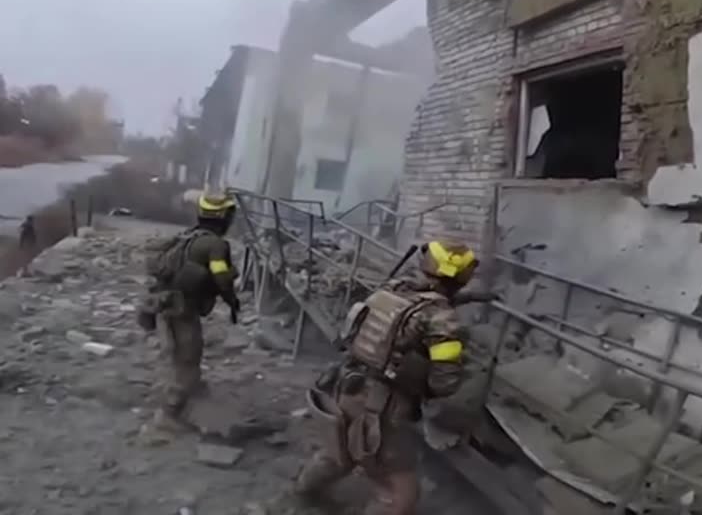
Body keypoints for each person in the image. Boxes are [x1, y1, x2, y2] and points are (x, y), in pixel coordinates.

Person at [284, 240, 479, 515]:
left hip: (346, 384)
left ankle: (302, 494)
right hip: (383, 407)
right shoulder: (443, 320)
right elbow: (443, 383)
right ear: (461, 277)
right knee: (399, 487)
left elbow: (417, 309)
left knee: (338, 451)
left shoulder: (393, 289)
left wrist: (465, 299)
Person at [139, 192, 242, 430]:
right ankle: (170, 414)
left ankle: (191, 392)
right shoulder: (215, 245)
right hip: (183, 309)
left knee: (179, 355)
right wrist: (232, 301)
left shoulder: (188, 236)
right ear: (223, 217)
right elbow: (221, 278)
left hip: (166, 305)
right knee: (188, 357)